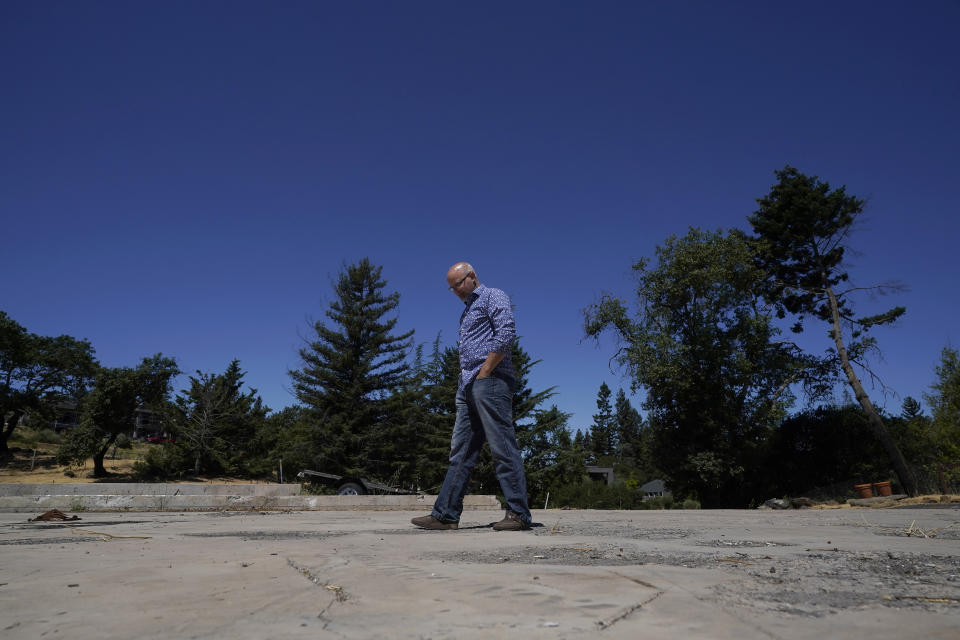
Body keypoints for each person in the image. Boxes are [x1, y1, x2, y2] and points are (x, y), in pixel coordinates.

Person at [411, 262, 532, 531]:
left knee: (502, 446)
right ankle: (445, 515)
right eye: (451, 287)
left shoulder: (493, 296)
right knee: (461, 451)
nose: (455, 290)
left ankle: (518, 514)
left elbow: (506, 333)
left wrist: (486, 371)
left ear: (472, 277)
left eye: (458, 284)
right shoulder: (467, 311)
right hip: (467, 386)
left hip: (490, 381)